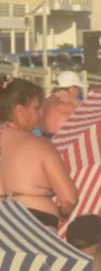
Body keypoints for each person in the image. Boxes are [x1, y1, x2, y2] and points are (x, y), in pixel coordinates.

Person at [0, 78, 78, 229]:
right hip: (36, 222)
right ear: (19, 111)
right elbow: (69, 199)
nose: (41, 113)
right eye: (36, 108)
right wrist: (63, 213)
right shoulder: (40, 146)